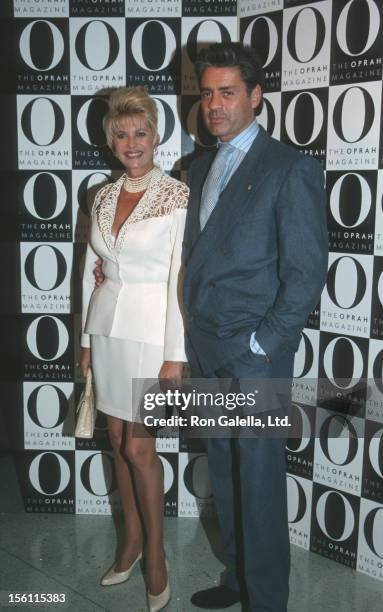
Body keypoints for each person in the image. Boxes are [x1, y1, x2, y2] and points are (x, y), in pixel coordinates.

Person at [182, 43, 328, 611]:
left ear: (255, 97)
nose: (214, 105)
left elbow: (305, 274)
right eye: (207, 93)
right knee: (225, 468)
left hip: (253, 356)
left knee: (260, 482)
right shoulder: (197, 168)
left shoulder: (290, 168)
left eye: (227, 93)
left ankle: (267, 601)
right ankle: (239, 579)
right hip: (205, 347)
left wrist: (263, 345)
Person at [80, 86, 188, 612]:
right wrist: (84, 342)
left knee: (140, 447)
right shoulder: (100, 195)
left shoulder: (176, 196)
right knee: (117, 441)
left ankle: (157, 559)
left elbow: (178, 280)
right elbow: (89, 273)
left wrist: (176, 352)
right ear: (111, 141)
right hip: (107, 332)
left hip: (153, 334)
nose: (131, 142)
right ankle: (129, 544)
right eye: (121, 134)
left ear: (156, 135)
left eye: (140, 132)